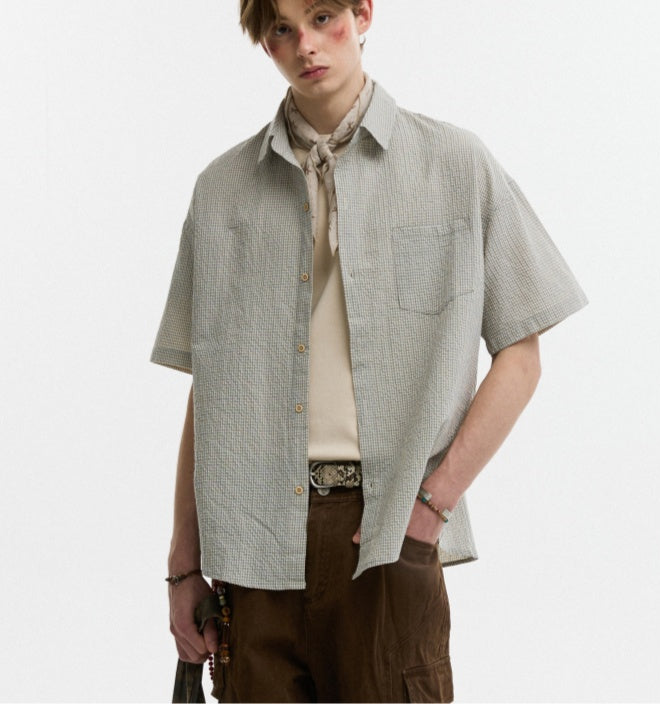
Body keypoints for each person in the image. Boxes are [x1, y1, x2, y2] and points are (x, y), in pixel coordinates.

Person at [149, 0, 588, 701]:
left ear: (362, 14)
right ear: (265, 45)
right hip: (252, 542)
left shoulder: (454, 165)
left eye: (323, 17)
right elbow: (213, 391)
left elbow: (522, 354)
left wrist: (431, 505)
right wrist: (182, 565)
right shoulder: (223, 192)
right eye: (282, 29)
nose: (306, 44)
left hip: (384, 537)